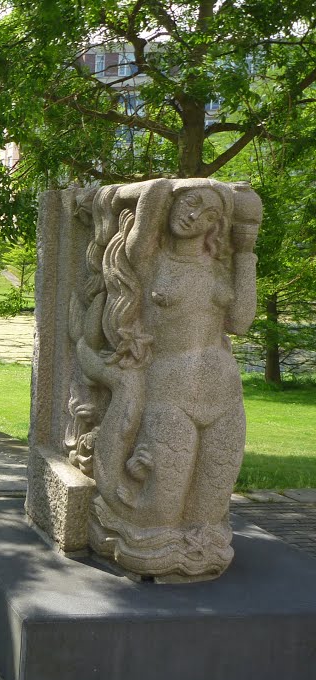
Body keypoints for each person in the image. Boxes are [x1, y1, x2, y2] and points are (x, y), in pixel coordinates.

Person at [73, 179, 259, 580]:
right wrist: (212, 187)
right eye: (191, 203)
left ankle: (194, 559)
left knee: (207, 516)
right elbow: (157, 191)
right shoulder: (148, 258)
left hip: (224, 393)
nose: (195, 216)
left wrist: (246, 248)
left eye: (210, 214)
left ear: (217, 226)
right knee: (160, 510)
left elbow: (241, 320)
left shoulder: (219, 269)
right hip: (169, 391)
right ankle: (143, 549)